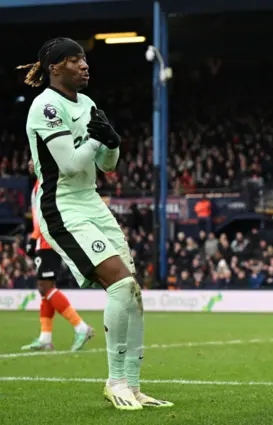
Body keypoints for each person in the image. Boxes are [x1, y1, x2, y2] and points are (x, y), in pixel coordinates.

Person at [19, 37, 172, 410]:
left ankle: (132, 386)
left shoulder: (87, 104)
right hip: (61, 206)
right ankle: (115, 381)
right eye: (75, 60)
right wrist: (95, 136)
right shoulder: (46, 106)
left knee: (132, 291)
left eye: (85, 59)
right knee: (120, 283)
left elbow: (106, 165)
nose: (85, 66)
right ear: (55, 68)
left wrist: (113, 143)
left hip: (91, 201)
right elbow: (71, 164)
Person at [22, 161, 94, 352]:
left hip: (47, 239)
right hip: (46, 239)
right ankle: (45, 337)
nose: (29, 163)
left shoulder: (45, 183)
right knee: (45, 288)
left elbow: (46, 214)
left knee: (45, 286)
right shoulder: (40, 183)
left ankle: (81, 327)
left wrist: (34, 236)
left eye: (32, 159)